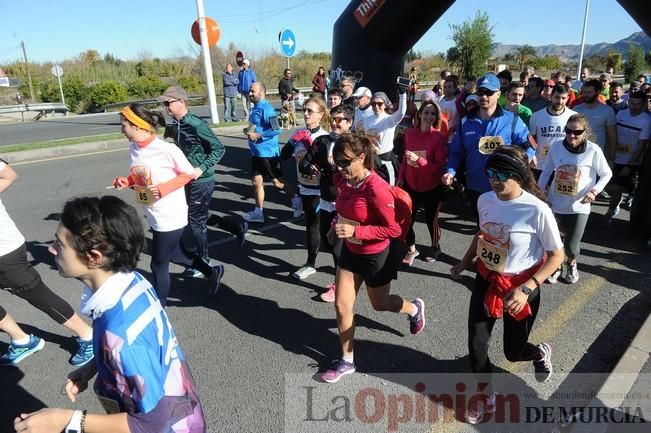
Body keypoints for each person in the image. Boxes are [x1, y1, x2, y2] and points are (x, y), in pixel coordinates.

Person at [14, 196, 205, 433]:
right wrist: (95, 365)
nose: (51, 249)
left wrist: (66, 420)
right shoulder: (132, 281)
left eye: (60, 244)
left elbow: (152, 425)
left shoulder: (121, 338)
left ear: (94, 257)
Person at [450, 146, 564, 424]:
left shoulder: (537, 210)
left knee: (513, 352)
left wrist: (526, 289)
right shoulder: (486, 200)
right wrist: (465, 262)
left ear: (520, 176)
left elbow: (556, 255)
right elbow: (483, 234)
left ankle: (538, 352)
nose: (494, 179)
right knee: (477, 345)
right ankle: (485, 397)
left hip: (521, 287)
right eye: (490, 173)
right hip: (488, 280)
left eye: (502, 174)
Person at [321, 134, 425, 384]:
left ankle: (414, 308)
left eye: (345, 161)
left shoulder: (376, 189)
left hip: (376, 255)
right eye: (336, 161)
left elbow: (394, 231)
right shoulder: (345, 181)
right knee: (342, 305)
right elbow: (345, 209)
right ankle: (347, 361)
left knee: (380, 304)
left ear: (361, 158)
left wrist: (357, 232)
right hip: (351, 252)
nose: (340, 167)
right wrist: (336, 223)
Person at [113, 103, 223, 306]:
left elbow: (188, 174)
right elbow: (139, 174)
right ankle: (212, 271)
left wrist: (165, 188)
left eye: (124, 125)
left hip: (171, 213)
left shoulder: (166, 149)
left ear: (138, 126)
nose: (122, 130)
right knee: (177, 254)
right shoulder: (134, 148)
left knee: (158, 264)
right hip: (152, 211)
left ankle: (159, 308)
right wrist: (127, 181)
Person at [0, 159, 93, 367]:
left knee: (38, 295)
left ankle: (88, 335)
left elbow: (8, 174)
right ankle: (22, 340)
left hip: (4, 250)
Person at [159, 86, 247, 279]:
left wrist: (200, 168)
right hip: (187, 178)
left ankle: (204, 260)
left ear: (181, 103)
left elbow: (219, 148)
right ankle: (236, 228)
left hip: (202, 179)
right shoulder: (178, 123)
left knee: (195, 221)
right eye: (164, 104)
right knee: (198, 216)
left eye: (169, 103)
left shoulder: (196, 124)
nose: (166, 107)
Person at [443, 73, 533, 223]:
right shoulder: (466, 121)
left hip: (505, 186)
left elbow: (530, 145)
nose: (484, 96)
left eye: (489, 93)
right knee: (484, 228)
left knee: (505, 231)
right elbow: (456, 152)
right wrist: (450, 172)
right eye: (480, 92)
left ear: (498, 94)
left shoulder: (512, 119)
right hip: (476, 187)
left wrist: (525, 161)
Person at [538, 113, 612, 284]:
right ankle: (556, 265)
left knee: (572, 247)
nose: (572, 135)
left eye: (577, 132)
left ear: (585, 132)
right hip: (556, 203)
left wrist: (594, 191)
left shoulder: (593, 150)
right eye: (568, 131)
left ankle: (571, 262)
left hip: (580, 206)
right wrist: (540, 195)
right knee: (554, 241)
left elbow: (607, 173)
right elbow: (547, 172)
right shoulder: (556, 147)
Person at [281, 97, 331, 280]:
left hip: (321, 190)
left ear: (321, 114)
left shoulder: (324, 137)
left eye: (310, 111)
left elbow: (329, 165)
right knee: (311, 225)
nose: (306, 114)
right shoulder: (298, 133)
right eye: (305, 110)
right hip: (304, 187)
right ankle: (311, 263)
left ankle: (341, 267)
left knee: (321, 228)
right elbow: (284, 156)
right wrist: (292, 142)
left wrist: (312, 146)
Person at [398, 101, 448, 264]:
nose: (429, 116)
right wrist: (400, 178)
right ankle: (412, 249)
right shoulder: (410, 134)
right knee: (406, 219)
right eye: (426, 112)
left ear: (436, 117)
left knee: (430, 219)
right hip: (411, 184)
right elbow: (405, 160)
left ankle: (435, 247)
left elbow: (439, 167)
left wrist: (420, 160)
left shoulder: (438, 137)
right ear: (419, 114)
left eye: (432, 113)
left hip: (431, 186)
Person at [243, 82, 298, 223]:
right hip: (256, 152)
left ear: (262, 92)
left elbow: (276, 129)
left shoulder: (267, 109)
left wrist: (259, 135)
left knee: (278, 183)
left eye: (253, 91)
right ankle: (258, 212)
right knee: (256, 182)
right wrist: (249, 132)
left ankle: (297, 202)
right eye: (250, 91)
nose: (250, 93)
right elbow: (256, 126)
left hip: (268, 153)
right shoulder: (255, 107)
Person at [603, 91, 651, 226]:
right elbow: (612, 135)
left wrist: (629, 165)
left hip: (631, 161)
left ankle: (610, 211)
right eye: (632, 103)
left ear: (643, 105)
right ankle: (616, 202)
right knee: (608, 187)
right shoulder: (621, 114)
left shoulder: (646, 120)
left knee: (618, 188)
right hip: (614, 157)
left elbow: (641, 145)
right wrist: (609, 155)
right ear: (628, 102)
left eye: (638, 104)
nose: (634, 107)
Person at [361, 89, 408, 185]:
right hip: (371, 161)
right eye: (373, 104)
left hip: (386, 162)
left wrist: (402, 94)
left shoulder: (389, 119)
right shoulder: (366, 121)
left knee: (388, 190)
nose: (376, 106)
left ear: (385, 104)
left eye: (379, 104)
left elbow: (401, 112)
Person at [529, 83, 576, 176]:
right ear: (550, 97)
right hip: (541, 165)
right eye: (557, 97)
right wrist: (531, 155)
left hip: (564, 166)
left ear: (567, 99)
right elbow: (532, 138)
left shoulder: (573, 117)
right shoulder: (536, 116)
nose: (560, 101)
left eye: (563, 98)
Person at [573, 79, 617, 155]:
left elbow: (612, 136)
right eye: (584, 92)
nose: (586, 95)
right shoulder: (576, 109)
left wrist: (612, 157)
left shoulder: (608, 111)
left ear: (598, 92)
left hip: (597, 154)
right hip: (577, 153)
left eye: (589, 92)